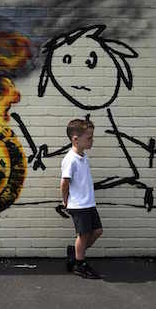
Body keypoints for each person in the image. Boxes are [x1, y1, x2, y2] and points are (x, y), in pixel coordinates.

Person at [60, 118, 103, 279]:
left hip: (88, 203)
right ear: (75, 139)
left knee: (97, 231)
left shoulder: (83, 157)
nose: (92, 140)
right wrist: (65, 201)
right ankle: (79, 264)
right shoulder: (70, 159)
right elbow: (64, 182)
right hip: (78, 204)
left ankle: (75, 252)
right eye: (89, 137)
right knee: (83, 234)